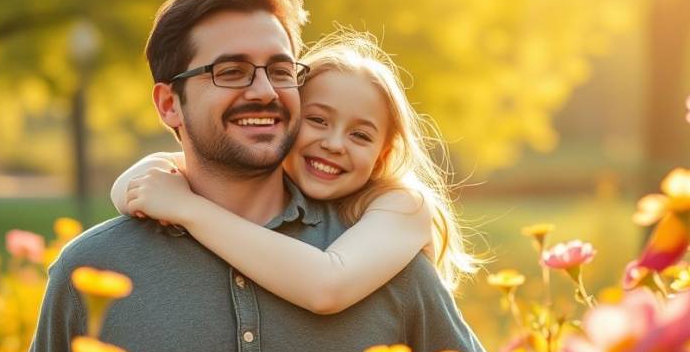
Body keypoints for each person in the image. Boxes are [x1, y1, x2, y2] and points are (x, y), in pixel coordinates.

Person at [0, 0, 531, 352]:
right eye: (230, 71)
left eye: (279, 70)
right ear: (168, 104)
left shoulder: (375, 257)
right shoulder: (97, 268)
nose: (263, 91)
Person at [110, 31, 477, 315]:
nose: (335, 144)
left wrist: (186, 208)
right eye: (317, 120)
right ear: (284, 120)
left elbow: (326, 287)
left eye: (360, 135)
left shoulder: (402, 207)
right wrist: (157, 177)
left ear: (381, 158)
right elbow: (129, 187)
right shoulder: (270, 194)